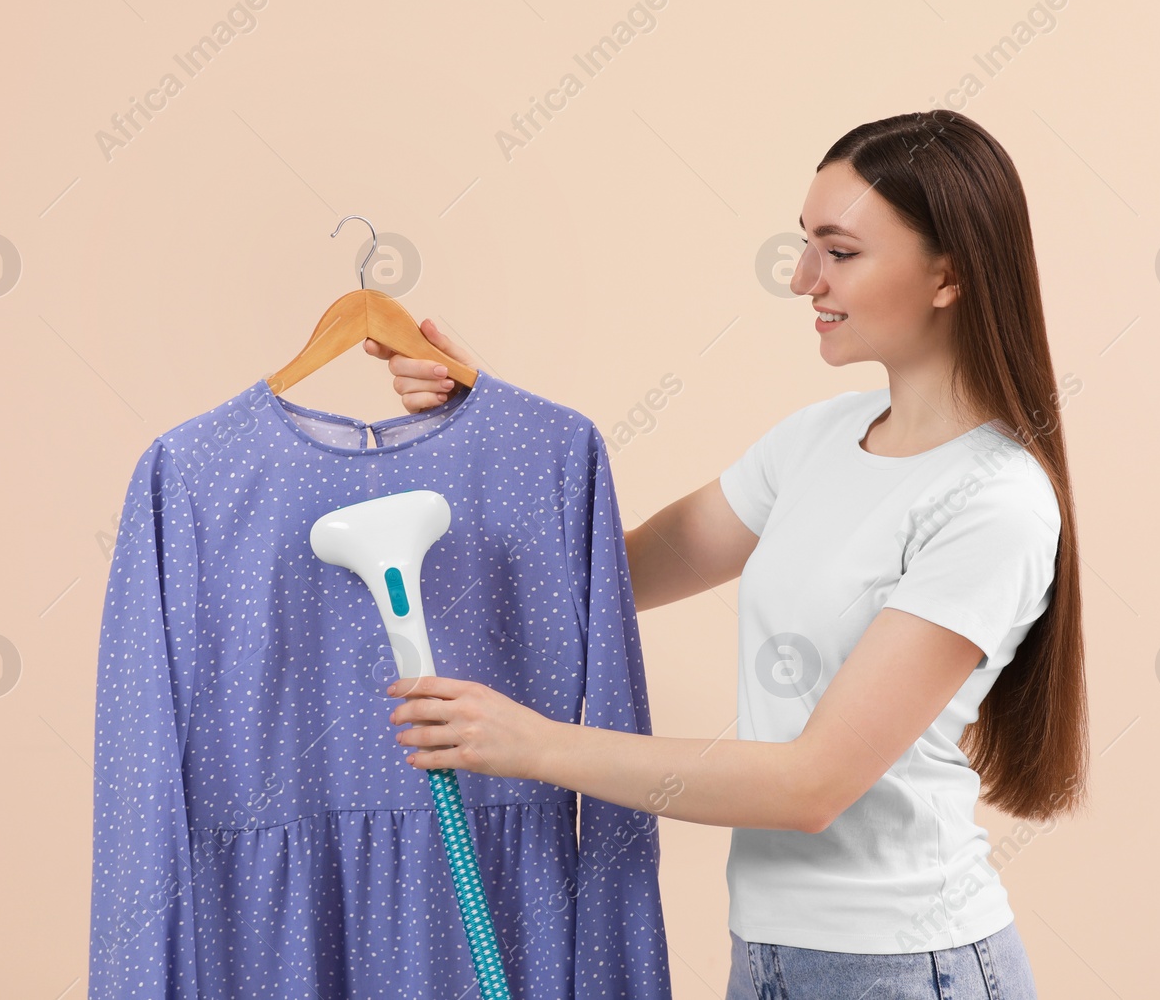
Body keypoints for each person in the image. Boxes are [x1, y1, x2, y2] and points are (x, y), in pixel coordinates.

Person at [365, 110, 1087, 999]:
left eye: (840, 251)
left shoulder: (994, 501)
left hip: (905, 967)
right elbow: (606, 576)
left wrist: (538, 746)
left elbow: (810, 784)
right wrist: (489, 422)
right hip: (769, 954)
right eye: (803, 245)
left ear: (948, 274)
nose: (801, 278)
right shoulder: (818, 439)